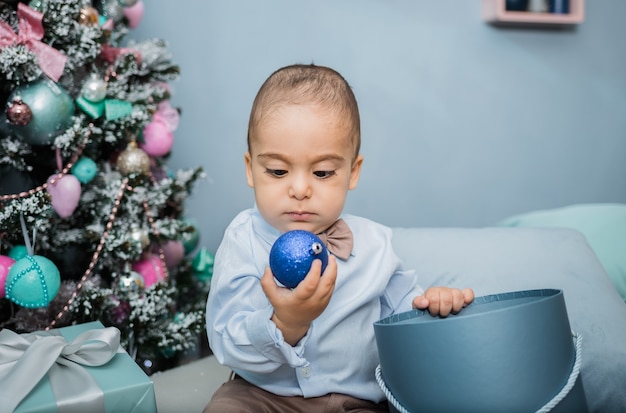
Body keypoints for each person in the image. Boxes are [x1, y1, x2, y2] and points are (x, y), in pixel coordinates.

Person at [204, 63, 474, 412]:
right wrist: (286, 323)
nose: (299, 189)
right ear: (250, 169)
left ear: (352, 172)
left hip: (356, 400)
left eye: (322, 172)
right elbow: (226, 340)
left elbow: (403, 319)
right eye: (277, 171)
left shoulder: (375, 244)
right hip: (262, 395)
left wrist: (433, 306)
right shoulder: (243, 241)